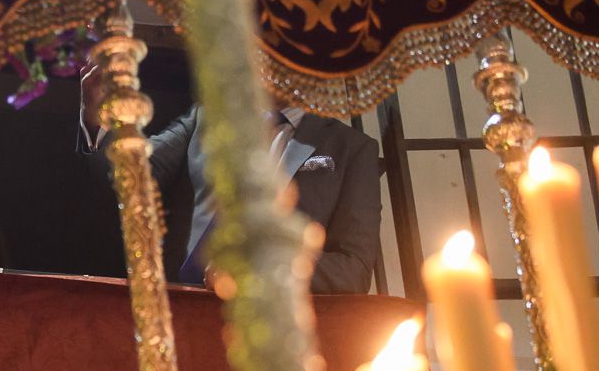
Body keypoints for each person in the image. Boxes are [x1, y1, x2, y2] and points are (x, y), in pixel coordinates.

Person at [78, 67, 382, 294]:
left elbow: (353, 270)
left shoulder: (352, 149)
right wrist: (99, 117)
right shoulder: (204, 120)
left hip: (277, 331)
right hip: (180, 307)